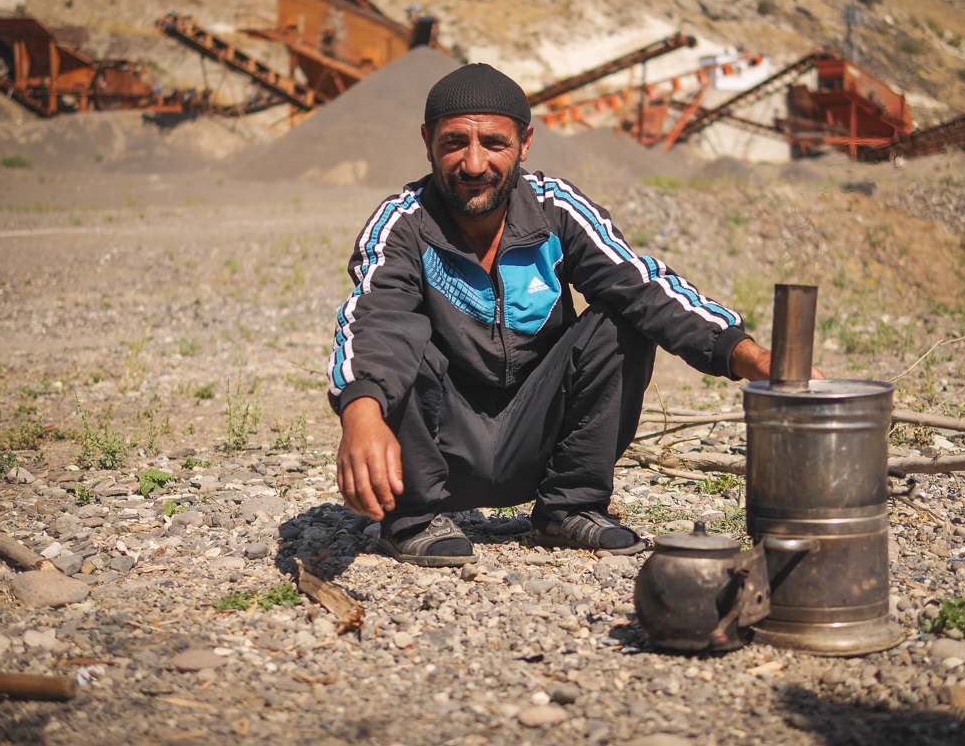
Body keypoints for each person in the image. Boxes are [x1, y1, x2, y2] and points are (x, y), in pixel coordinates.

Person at [328, 63, 795, 567]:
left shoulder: (556, 209)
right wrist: (361, 413)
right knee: (405, 337)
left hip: (537, 438)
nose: (474, 163)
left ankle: (569, 507)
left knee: (624, 317)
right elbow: (375, 318)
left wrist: (751, 358)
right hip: (440, 450)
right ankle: (414, 519)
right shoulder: (402, 223)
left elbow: (644, 285)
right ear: (427, 143)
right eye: (455, 143)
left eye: (494, 143)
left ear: (525, 143)